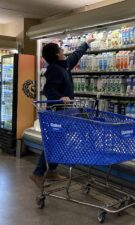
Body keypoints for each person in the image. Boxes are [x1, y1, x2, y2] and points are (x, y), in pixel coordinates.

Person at [30, 36, 95, 188]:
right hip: (56, 111)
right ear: (56, 54)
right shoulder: (54, 69)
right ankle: (38, 173)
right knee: (54, 142)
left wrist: (86, 43)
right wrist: (60, 97)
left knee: (58, 141)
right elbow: (49, 89)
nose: (63, 50)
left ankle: (51, 170)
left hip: (64, 112)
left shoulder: (63, 65)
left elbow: (75, 56)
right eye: (60, 49)